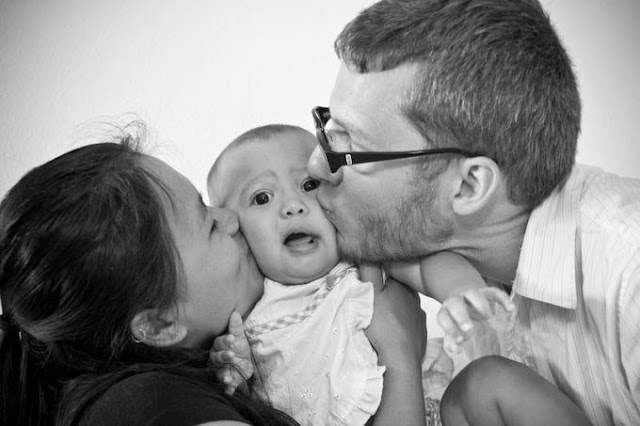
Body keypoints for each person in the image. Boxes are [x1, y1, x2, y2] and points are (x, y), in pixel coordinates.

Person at [305, 0, 640, 425]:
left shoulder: (630, 278)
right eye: (329, 128)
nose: (315, 165)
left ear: (468, 187)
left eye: (351, 144)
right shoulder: (432, 255)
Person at [0, 125, 425, 426]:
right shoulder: (152, 407)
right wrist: (399, 353)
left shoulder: (220, 362)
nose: (231, 220)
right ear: (159, 324)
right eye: (207, 223)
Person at [207, 124, 514, 425]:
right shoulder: (247, 311)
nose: (293, 206)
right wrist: (233, 369)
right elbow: (249, 395)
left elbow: (426, 263)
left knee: (491, 380)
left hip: (428, 411)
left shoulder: (362, 258)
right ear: (233, 228)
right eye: (262, 198)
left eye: (309, 185)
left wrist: (461, 290)